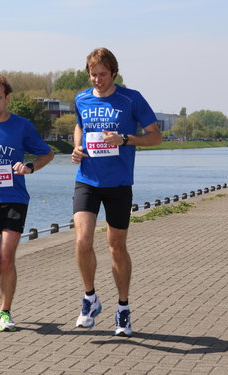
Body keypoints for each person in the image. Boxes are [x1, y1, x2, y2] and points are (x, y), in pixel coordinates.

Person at [71, 48, 161, 337]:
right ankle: (90, 298)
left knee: (116, 247)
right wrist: (76, 147)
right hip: (87, 179)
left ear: (114, 73)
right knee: (82, 240)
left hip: (119, 184)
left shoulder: (131, 99)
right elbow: (79, 126)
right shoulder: (81, 98)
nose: (97, 79)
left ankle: (123, 309)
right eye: (93, 74)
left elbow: (155, 136)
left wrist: (124, 139)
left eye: (103, 74)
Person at [0, 72, 54, 332]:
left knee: (7, 258)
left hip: (15, 200)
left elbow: (46, 154)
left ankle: (5, 312)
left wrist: (29, 168)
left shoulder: (22, 126)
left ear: (7, 98)